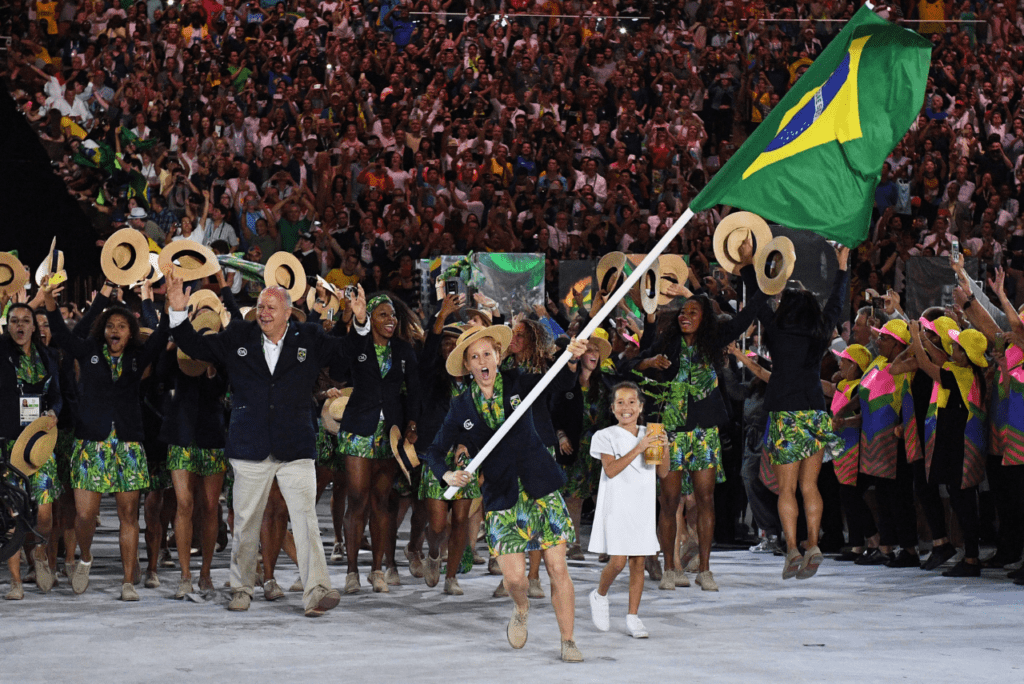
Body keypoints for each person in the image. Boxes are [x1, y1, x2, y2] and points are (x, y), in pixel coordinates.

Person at [164, 273, 362, 617]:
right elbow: (198, 348)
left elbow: (346, 354)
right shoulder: (240, 335)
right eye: (260, 306)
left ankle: (316, 590)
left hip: (296, 445)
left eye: (271, 306)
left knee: (305, 520)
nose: (264, 311)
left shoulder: (310, 337)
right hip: (249, 444)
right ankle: (241, 588)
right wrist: (178, 313)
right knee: (245, 523)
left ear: (288, 312)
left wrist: (359, 321)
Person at [421, 325, 589, 663]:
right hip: (501, 495)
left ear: (498, 356)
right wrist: (446, 473)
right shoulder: (461, 407)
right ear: (467, 366)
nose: (482, 361)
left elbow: (560, 382)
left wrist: (571, 359)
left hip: (539, 486)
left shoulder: (519, 383)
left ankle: (568, 640)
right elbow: (434, 451)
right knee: (515, 579)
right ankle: (522, 607)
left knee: (558, 566)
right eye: (474, 357)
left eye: (487, 354)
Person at [628, 237, 764, 591]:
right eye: (683, 312)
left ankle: (704, 568)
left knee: (705, 499)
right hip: (664, 430)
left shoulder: (715, 340)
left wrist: (747, 267)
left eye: (693, 312)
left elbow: (754, 308)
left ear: (705, 320)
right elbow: (632, 363)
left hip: (703, 429)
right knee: (668, 500)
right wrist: (649, 361)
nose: (685, 316)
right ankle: (671, 566)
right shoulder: (667, 340)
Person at [42, 284, 170, 601]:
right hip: (90, 445)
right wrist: (49, 306)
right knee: (85, 516)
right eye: (111, 325)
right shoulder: (89, 353)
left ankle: (127, 581)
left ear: (130, 333)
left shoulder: (138, 358)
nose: (115, 330)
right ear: (104, 330)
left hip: (127, 445)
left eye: (122, 326)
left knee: (129, 517)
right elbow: (61, 333)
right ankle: (85, 557)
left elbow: (160, 338)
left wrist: (167, 309)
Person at [756, 244, 850, 580]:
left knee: (787, 490)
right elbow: (837, 303)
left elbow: (757, 300)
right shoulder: (821, 328)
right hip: (814, 413)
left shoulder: (778, 330)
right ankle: (814, 544)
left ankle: (793, 549)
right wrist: (842, 267)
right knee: (811, 486)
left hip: (785, 414)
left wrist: (747, 265)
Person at [329, 292, 420, 594]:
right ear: (369, 318)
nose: (390, 320)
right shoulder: (359, 344)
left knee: (382, 503)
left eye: (392, 315)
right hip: (358, 430)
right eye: (382, 314)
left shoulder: (404, 350)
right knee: (357, 499)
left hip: (390, 436)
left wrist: (412, 423)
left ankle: (377, 570)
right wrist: (353, 327)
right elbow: (338, 372)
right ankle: (352, 571)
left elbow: (415, 390)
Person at [587, 381, 669, 639]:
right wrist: (639, 448)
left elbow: (663, 473)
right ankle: (600, 595)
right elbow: (611, 470)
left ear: (641, 406)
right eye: (620, 402)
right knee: (619, 561)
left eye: (632, 402)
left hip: (642, 505)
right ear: (612, 408)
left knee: (638, 562)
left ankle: (633, 616)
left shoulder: (650, 432)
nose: (626, 408)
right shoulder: (605, 435)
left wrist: (664, 448)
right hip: (617, 505)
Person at [910, 320, 989, 578]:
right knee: (962, 500)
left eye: (956, 348)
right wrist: (924, 339)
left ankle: (971, 559)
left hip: (961, 448)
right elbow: (942, 357)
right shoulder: (967, 372)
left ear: (965, 355)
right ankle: (970, 556)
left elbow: (926, 364)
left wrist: (914, 336)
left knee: (964, 503)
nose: (951, 350)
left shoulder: (959, 374)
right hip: (963, 446)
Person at [1, 301, 62, 600]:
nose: (20, 326)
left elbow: (58, 396)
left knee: (45, 514)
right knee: (11, 515)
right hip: (8, 443)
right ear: (7, 325)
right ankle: (15, 582)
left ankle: (39, 554)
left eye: (26, 320)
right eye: (14, 321)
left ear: (34, 326)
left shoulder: (48, 357)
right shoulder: (1, 354)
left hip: (39, 443)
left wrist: (54, 412)